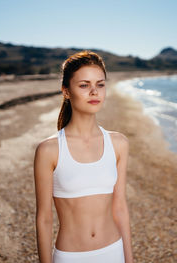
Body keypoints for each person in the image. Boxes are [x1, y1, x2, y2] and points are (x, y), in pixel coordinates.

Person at [33, 50, 134, 263]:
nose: (94, 92)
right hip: (70, 256)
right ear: (66, 91)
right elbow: (44, 219)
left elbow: (120, 207)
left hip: (114, 252)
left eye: (100, 84)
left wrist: (129, 259)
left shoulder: (119, 144)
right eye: (84, 85)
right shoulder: (49, 150)